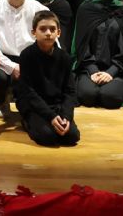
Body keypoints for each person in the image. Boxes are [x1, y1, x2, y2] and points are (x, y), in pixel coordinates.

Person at [73, 0, 123, 109]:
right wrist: (93, 70)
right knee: (88, 96)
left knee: (110, 97)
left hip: (117, 70)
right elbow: (81, 45)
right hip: (88, 69)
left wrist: (111, 72)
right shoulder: (86, 9)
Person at [15, 11, 80, 146]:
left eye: (52, 29)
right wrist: (50, 116)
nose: (48, 33)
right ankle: (27, 121)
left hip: (56, 104)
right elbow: (28, 92)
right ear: (34, 32)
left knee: (72, 137)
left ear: (59, 33)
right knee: (48, 137)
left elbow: (70, 91)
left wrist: (66, 116)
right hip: (33, 105)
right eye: (43, 29)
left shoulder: (65, 57)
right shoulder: (27, 55)